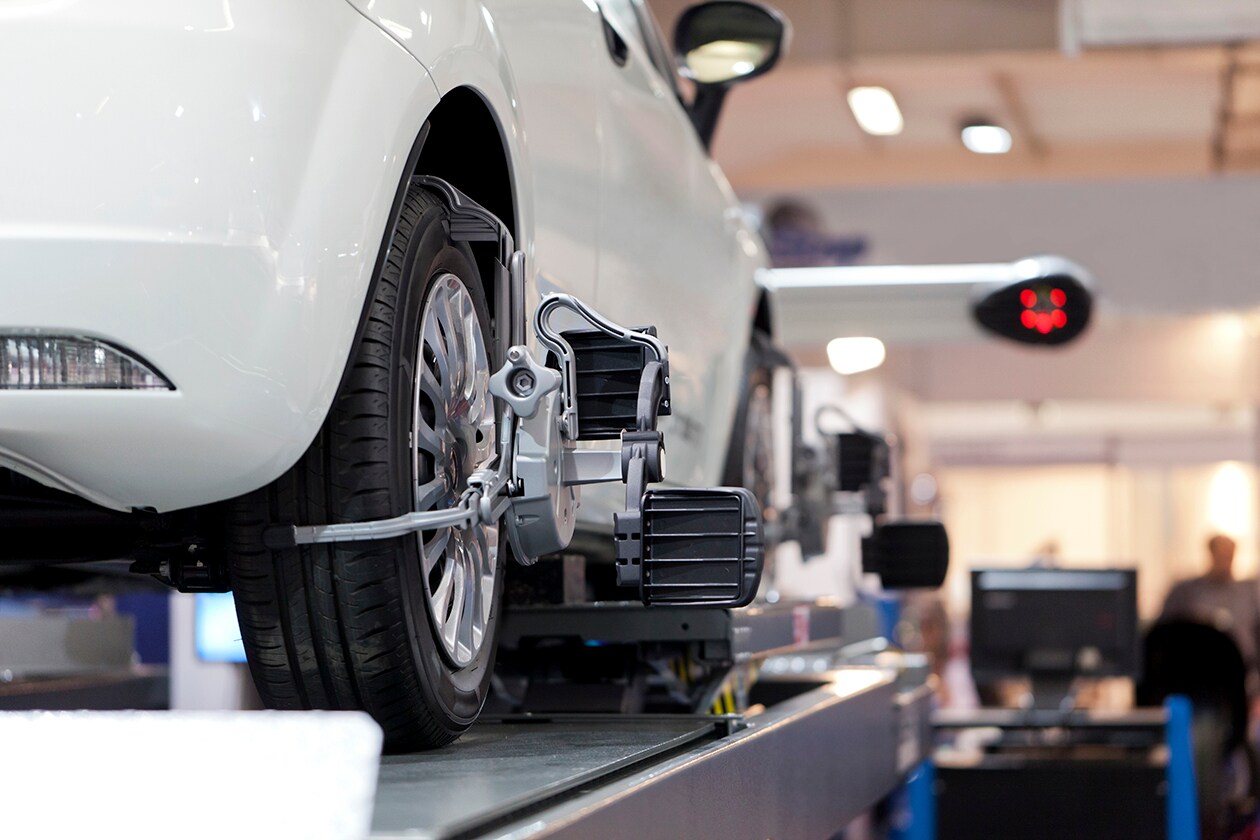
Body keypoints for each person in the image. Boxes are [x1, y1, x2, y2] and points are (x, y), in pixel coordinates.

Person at [1160, 534, 1260, 697]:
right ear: (1211, 554)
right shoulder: (1186, 591)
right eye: (1221, 555)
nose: (1225, 562)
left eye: (1228, 556)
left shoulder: (1247, 594)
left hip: (1243, 678)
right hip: (1195, 675)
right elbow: (1163, 634)